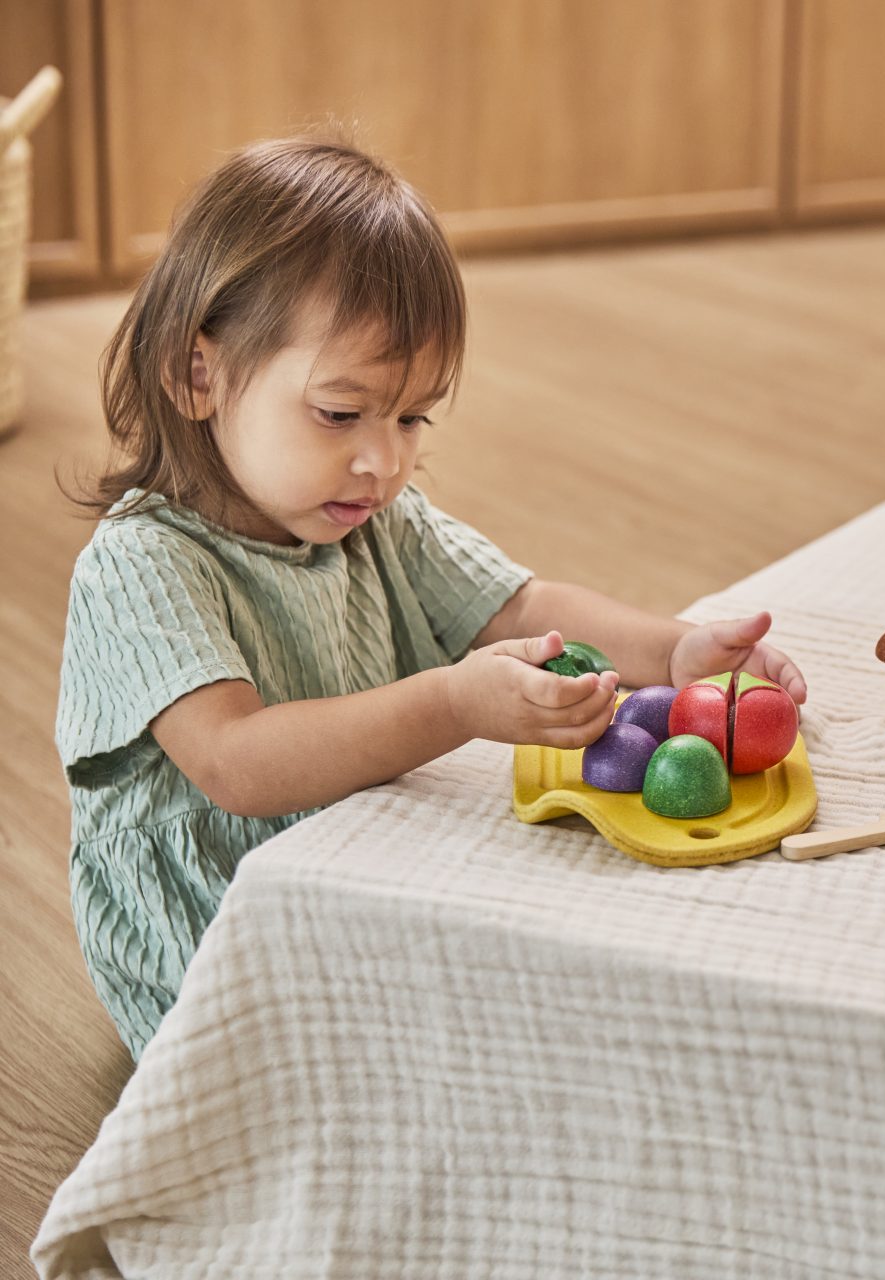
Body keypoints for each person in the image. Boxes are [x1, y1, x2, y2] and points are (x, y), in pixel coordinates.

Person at [54, 135, 808, 1060]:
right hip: (216, 926)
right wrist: (454, 704)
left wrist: (676, 652)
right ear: (195, 375)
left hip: (353, 861)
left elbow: (518, 608)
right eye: (340, 414)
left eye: (412, 417)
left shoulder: (370, 516)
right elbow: (237, 764)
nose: (384, 460)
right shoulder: (139, 563)